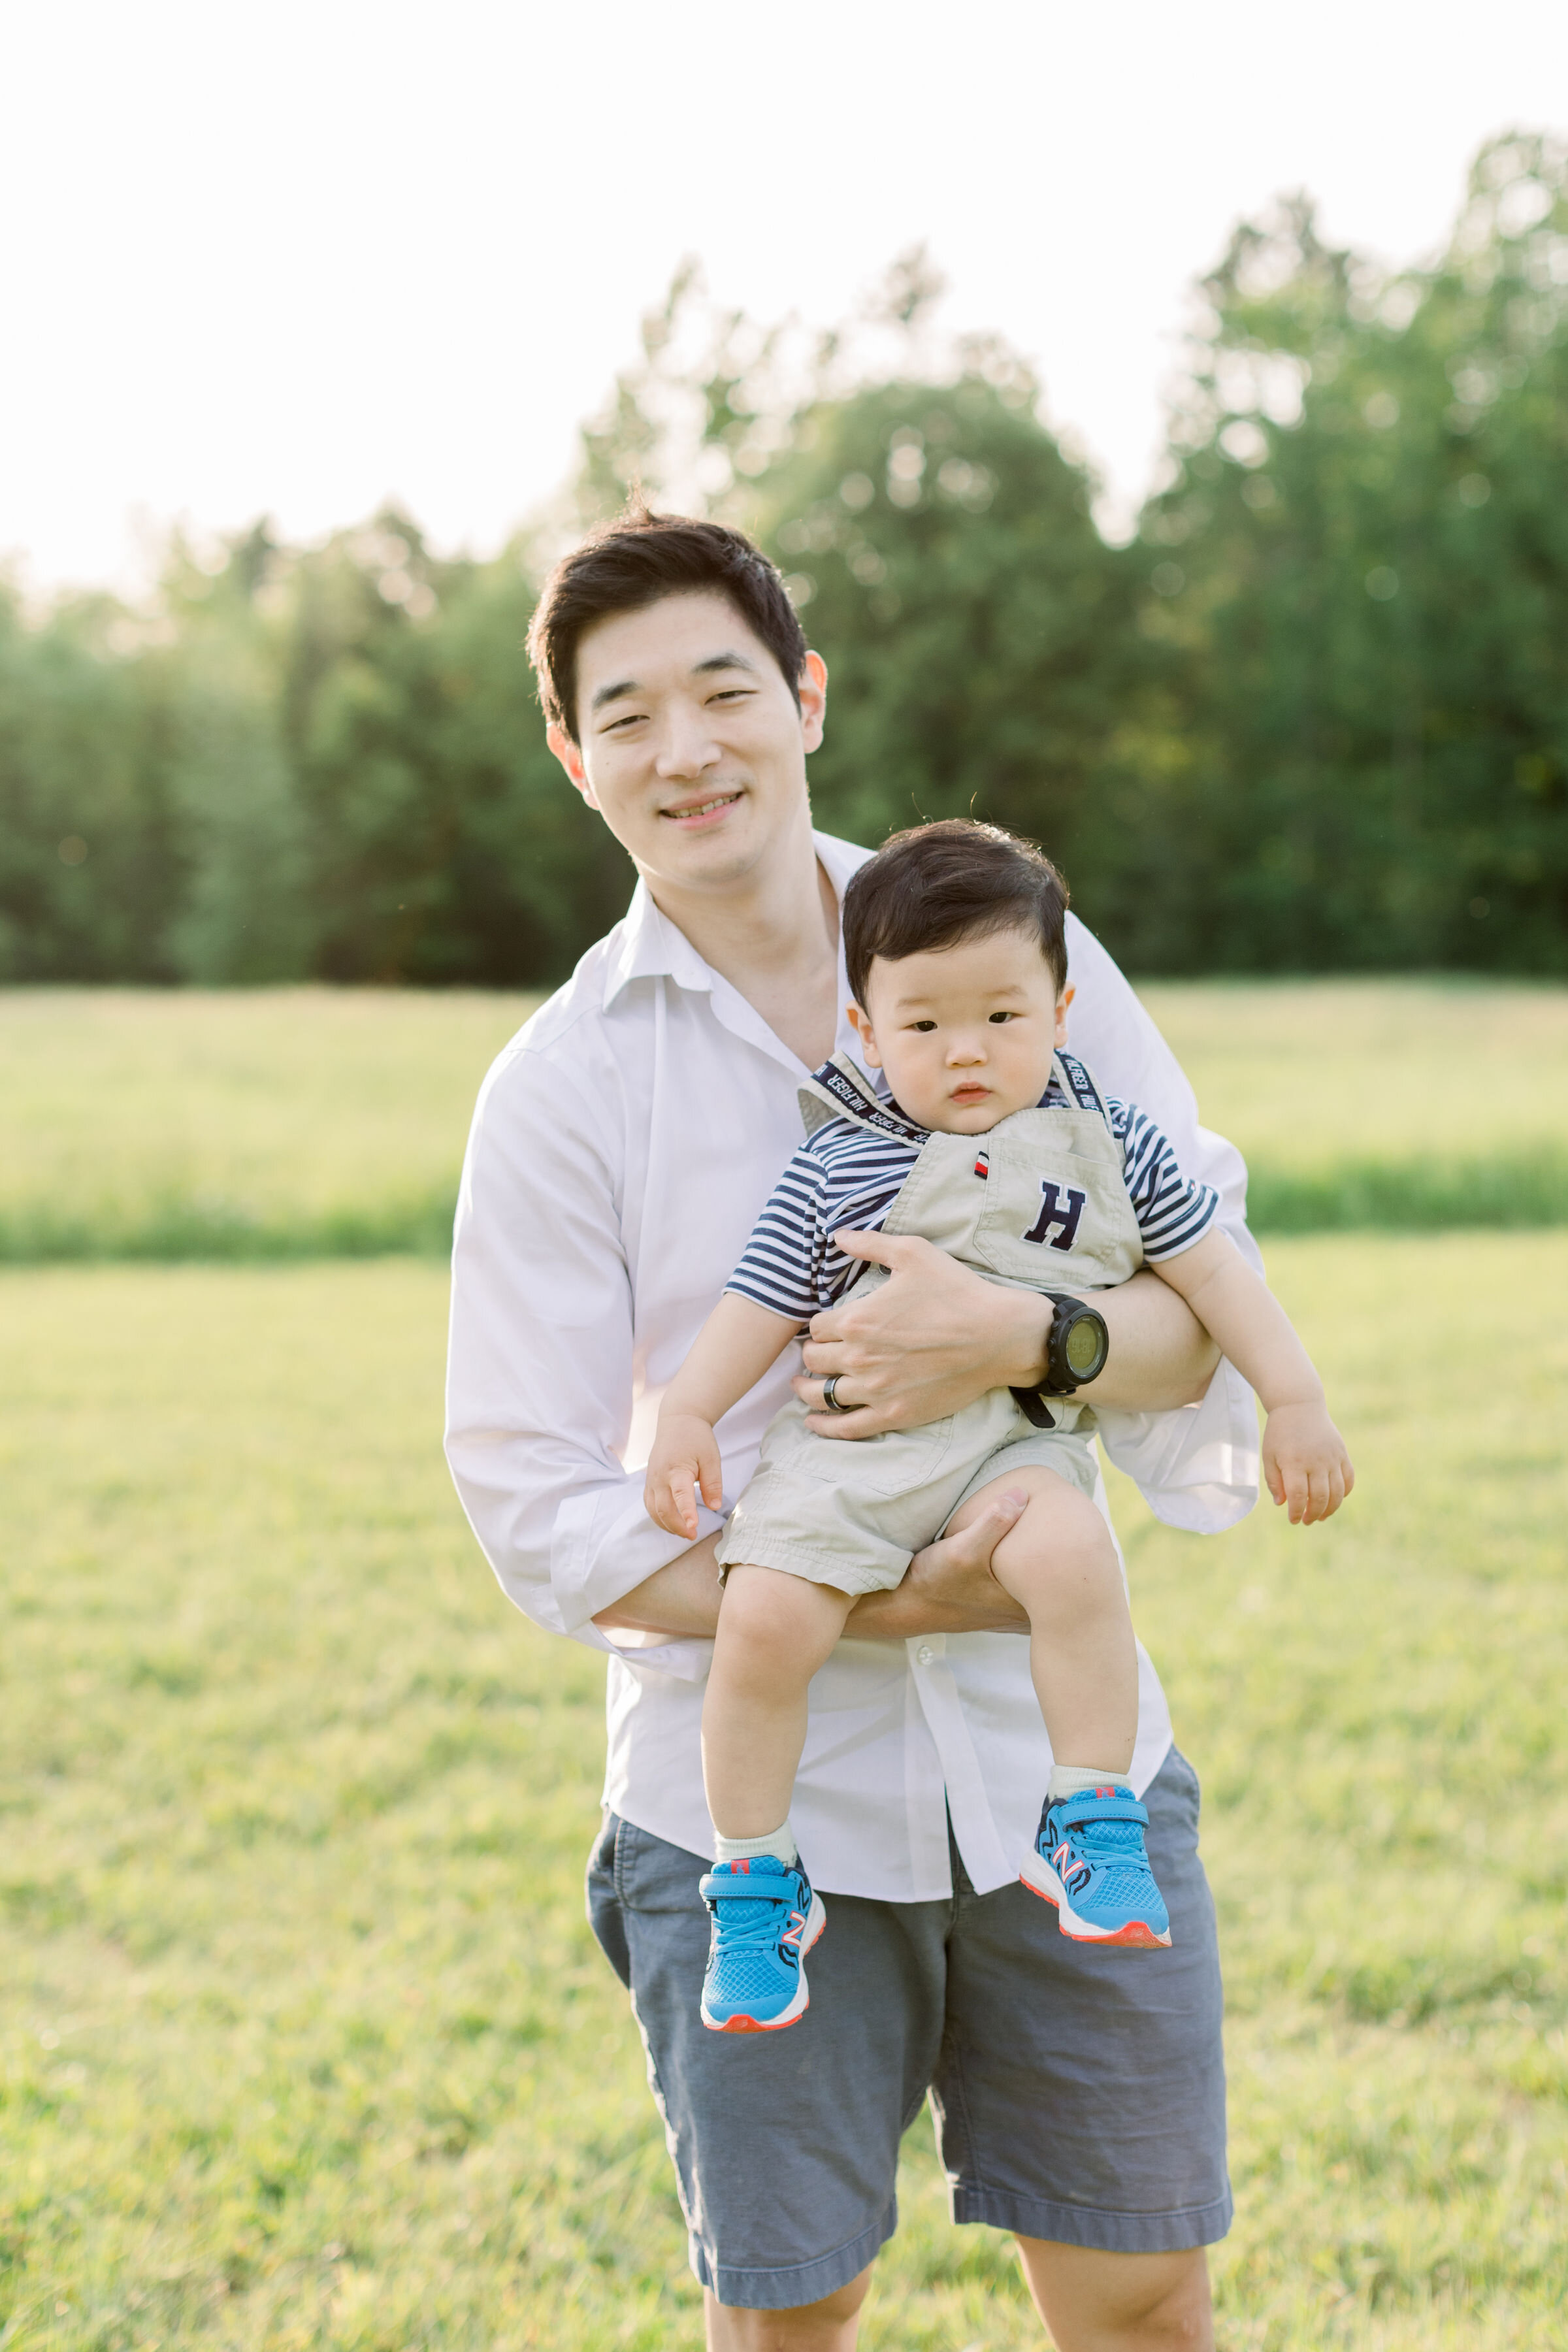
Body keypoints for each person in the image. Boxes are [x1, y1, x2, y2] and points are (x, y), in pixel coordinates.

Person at [444, 507, 1273, 2350]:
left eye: (725, 690)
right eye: (630, 714)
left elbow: (1202, 1312)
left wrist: (1015, 1336)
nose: (688, 750)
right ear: (578, 762)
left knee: (1144, 2305)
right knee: (793, 2323)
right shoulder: (563, 1086)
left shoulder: (1013, 954)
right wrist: (860, 1601)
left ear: (805, 697)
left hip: (1067, 1782)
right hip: (751, 1811)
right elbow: (532, 1498)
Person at [645, 819, 1352, 2033]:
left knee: (1074, 1551)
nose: (965, 1051)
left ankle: (1090, 1818)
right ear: (866, 1029)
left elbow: (1217, 1279)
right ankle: (758, 1877)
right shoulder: (841, 1163)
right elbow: (756, 1303)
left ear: (1062, 1009)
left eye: (1002, 1017)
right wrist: (690, 1416)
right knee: (759, 1619)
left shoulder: (1116, 1148)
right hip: (852, 1456)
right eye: (923, 1025)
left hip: (1012, 1445)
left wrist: (1294, 1395)